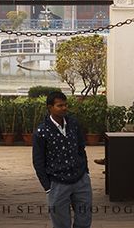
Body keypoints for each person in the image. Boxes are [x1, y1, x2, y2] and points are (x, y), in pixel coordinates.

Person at [33, 90, 92, 228]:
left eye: (65, 105)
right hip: (57, 183)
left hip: (81, 180)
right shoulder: (42, 131)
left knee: (84, 220)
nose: (64, 108)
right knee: (61, 223)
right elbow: (38, 161)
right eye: (60, 105)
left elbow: (81, 148)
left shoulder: (74, 124)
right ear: (50, 108)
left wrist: (86, 172)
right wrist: (48, 187)